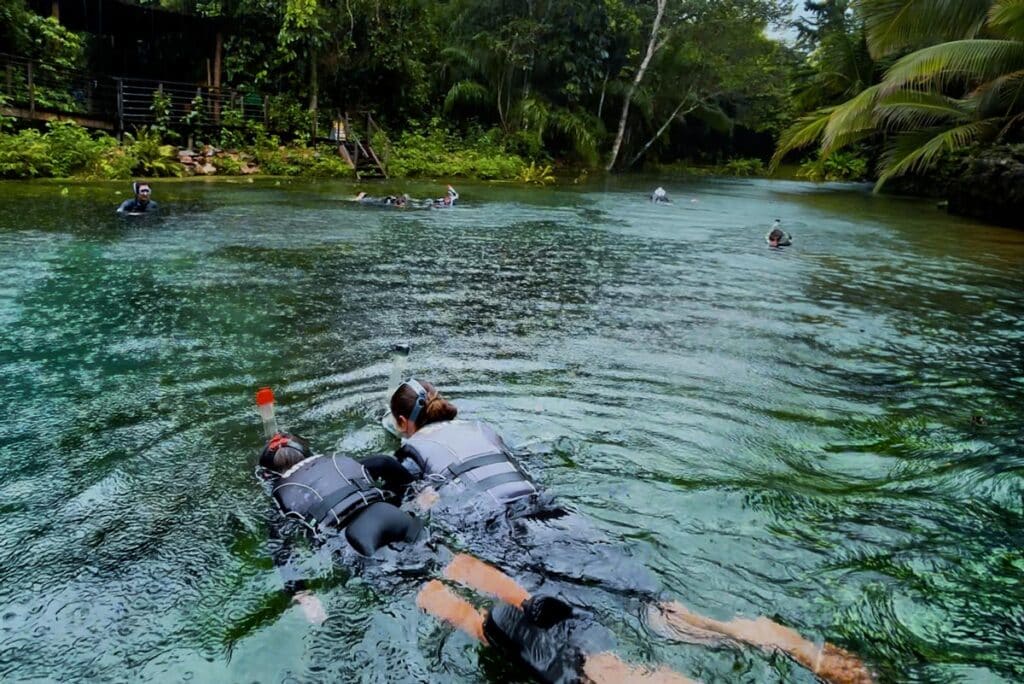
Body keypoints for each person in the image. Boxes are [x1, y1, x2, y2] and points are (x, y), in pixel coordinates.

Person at [389, 379, 873, 684]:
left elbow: (423, 509)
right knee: (664, 612)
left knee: (594, 662)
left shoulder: (410, 453)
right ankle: (789, 644)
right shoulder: (484, 429)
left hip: (513, 537)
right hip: (562, 517)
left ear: (402, 423)